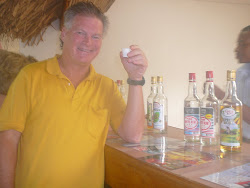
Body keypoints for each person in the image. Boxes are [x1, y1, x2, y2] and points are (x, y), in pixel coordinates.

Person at [0, 2, 148, 188]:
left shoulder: (106, 86)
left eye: (96, 36)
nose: (88, 42)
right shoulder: (30, 76)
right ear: (64, 33)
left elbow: (133, 135)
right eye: (80, 33)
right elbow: (8, 137)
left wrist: (135, 78)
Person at [215, 25, 250, 141]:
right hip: (237, 139)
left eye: (242, 44)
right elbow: (233, 109)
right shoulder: (240, 73)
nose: (236, 49)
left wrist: (222, 95)